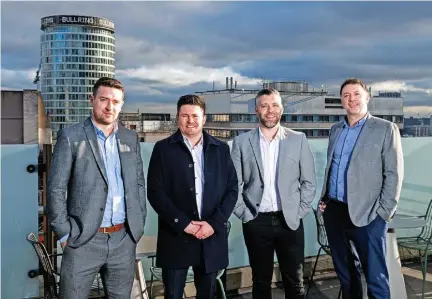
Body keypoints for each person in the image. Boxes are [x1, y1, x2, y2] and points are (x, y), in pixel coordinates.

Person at [47, 77, 147, 298]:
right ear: (92, 100)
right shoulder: (71, 137)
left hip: (123, 239)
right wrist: (65, 234)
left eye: (116, 101)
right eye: (103, 99)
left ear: (121, 104)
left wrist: (137, 226)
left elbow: (138, 183)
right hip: (82, 240)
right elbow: (55, 189)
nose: (110, 107)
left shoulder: (130, 138)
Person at [318, 77, 404, 299]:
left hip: (369, 214)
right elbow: (332, 167)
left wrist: (384, 213)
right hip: (335, 211)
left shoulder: (385, 129)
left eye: (356, 94)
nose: (351, 99)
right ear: (341, 101)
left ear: (367, 97)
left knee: (375, 276)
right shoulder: (336, 130)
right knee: (347, 275)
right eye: (346, 95)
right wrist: (325, 198)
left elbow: (394, 174)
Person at [147, 94, 238, 299]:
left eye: (195, 116)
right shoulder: (162, 149)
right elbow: (155, 192)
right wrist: (184, 224)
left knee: (208, 294)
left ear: (204, 118)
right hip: (176, 235)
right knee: (173, 295)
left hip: (210, 236)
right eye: (185, 115)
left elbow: (232, 189)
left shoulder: (221, 149)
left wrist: (213, 224)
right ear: (177, 118)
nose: (190, 120)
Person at [231, 88, 316, 299]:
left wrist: (299, 212)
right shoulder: (241, 142)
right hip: (256, 220)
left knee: (295, 281)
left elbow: (309, 182)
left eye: (275, 105)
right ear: (256, 109)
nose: (270, 110)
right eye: (264, 105)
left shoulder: (298, 139)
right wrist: (244, 214)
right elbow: (233, 185)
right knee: (260, 281)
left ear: (282, 109)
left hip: (290, 221)